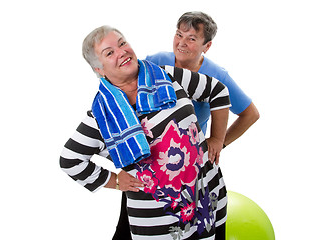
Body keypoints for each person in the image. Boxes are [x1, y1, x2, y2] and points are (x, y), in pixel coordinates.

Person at [60, 25, 231, 239]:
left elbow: (218, 91)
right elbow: (70, 160)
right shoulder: (102, 115)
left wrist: (217, 138)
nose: (121, 52)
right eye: (109, 52)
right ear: (99, 70)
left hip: (208, 194)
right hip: (158, 220)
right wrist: (114, 181)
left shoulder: (166, 75)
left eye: (122, 43)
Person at [113, 11, 260, 240]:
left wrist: (217, 142)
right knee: (128, 228)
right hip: (149, 162)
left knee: (198, 226)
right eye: (178, 34)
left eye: (191, 38)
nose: (181, 43)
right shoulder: (154, 63)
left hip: (189, 168)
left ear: (207, 46)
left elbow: (250, 114)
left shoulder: (217, 75)